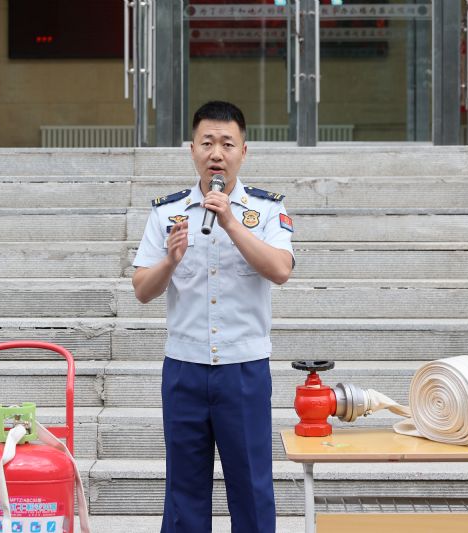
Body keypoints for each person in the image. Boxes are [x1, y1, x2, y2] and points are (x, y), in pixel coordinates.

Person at [132, 100, 295, 533]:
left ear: (244, 151)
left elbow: (280, 270)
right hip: (184, 369)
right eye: (207, 143)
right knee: (183, 490)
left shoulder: (266, 210)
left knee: (251, 485)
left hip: (243, 369)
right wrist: (170, 261)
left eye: (227, 143)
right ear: (192, 150)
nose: (216, 153)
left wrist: (232, 224)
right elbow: (142, 290)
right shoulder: (166, 213)